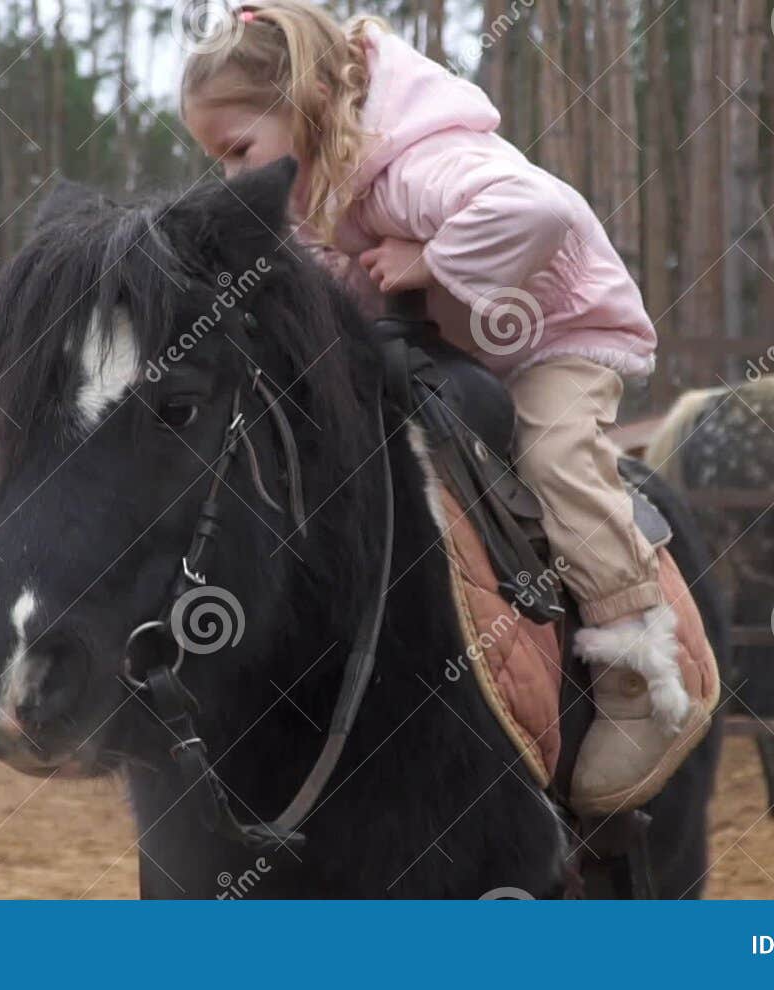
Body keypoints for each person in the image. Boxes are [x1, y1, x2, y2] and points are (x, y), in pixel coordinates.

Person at [181, 1, 715, 815]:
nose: (234, 176)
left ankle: (642, 671)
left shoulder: (420, 162)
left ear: (307, 105)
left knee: (555, 460)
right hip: (469, 347)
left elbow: (544, 213)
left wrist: (431, 254)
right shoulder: (333, 189)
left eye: (239, 150)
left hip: (557, 339)